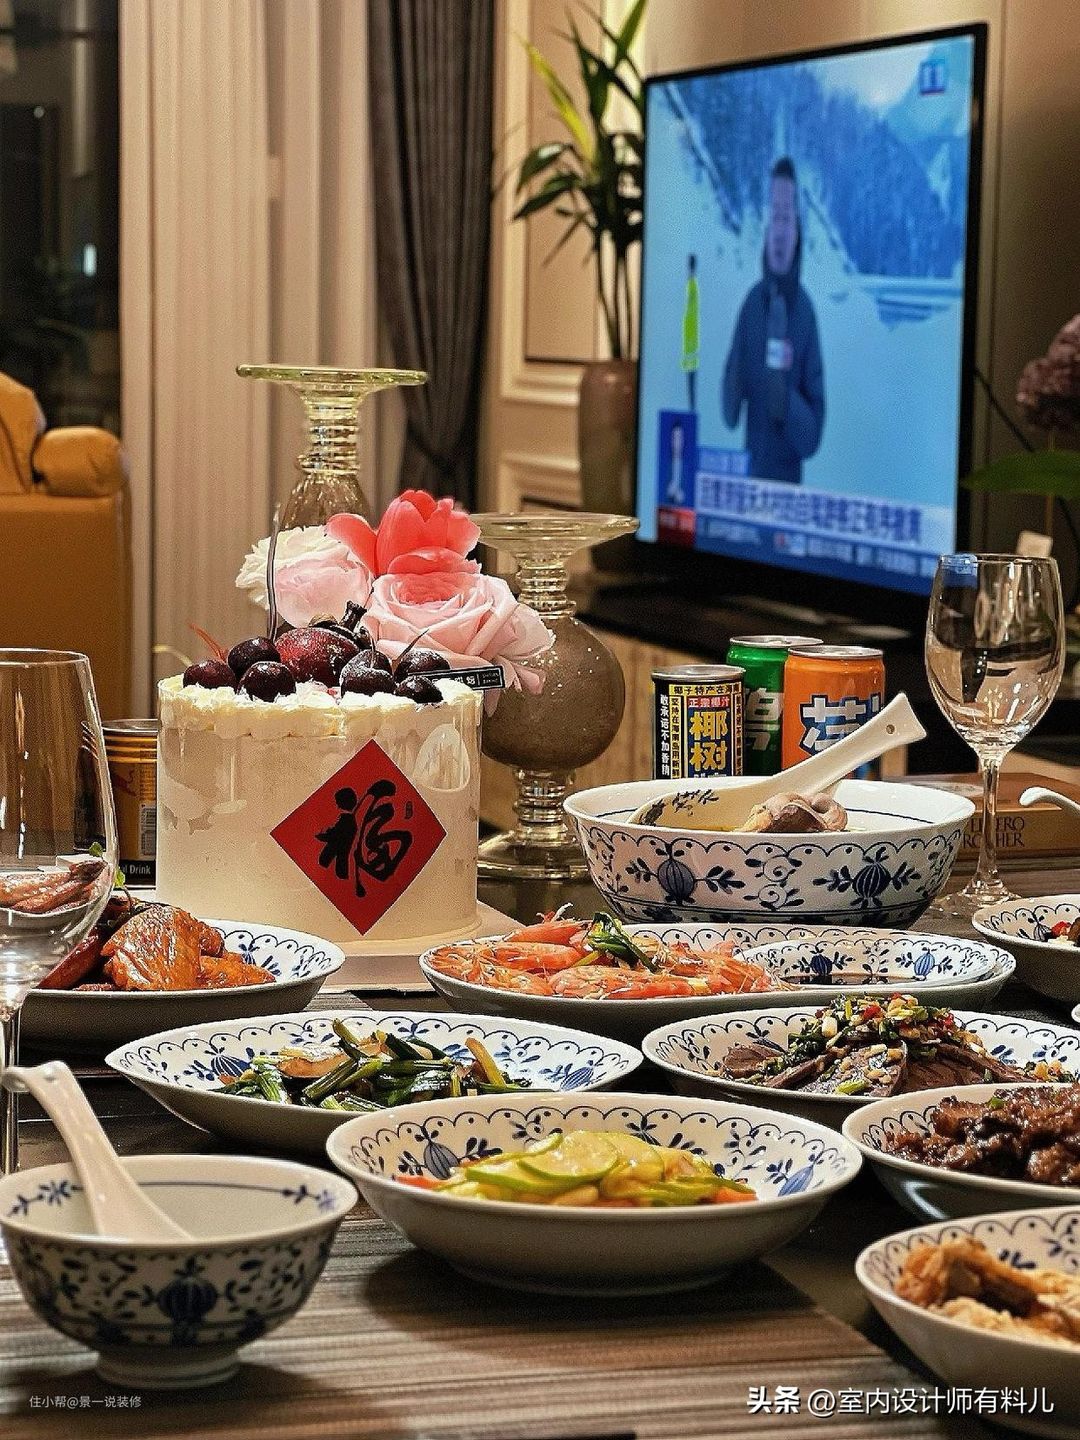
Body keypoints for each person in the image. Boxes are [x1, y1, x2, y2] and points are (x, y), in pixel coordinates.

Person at [722, 157, 824, 484]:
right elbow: (729, 413)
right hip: (748, 487)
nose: (780, 231)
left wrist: (782, 388)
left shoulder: (805, 313)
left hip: (788, 496)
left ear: (797, 231)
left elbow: (812, 439)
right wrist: (736, 373)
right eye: (774, 216)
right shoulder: (751, 304)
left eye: (787, 218)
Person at [682, 253, 699, 412]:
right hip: (689, 339)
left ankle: (691, 407)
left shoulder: (692, 285)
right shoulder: (690, 284)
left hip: (691, 340)